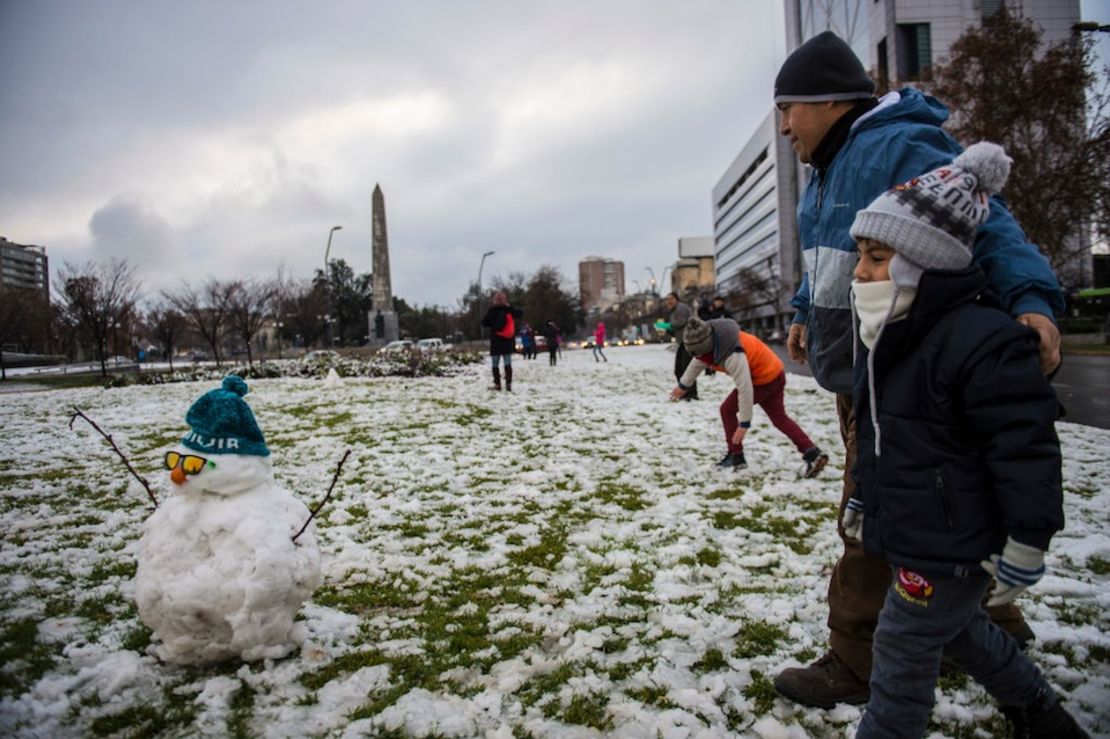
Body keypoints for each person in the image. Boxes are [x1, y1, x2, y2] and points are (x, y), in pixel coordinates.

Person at [770, 31, 1065, 708]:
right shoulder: (827, 168)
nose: (784, 125)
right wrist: (802, 308)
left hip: (904, 379)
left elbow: (987, 223)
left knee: (873, 516)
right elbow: (826, 259)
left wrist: (1031, 299)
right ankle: (989, 622)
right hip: (865, 377)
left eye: (790, 107)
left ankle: (858, 655)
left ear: (831, 101)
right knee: (931, 502)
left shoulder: (895, 146)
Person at [844, 143, 1086, 738]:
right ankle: (1038, 710)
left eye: (877, 257)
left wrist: (1027, 541)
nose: (860, 272)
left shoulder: (984, 341)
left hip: (957, 543)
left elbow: (1025, 452)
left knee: (902, 652)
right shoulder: (892, 336)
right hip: (920, 531)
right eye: (861, 256)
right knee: (958, 631)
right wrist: (862, 501)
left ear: (924, 263)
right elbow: (880, 440)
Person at [670, 316, 828, 477]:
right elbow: (698, 361)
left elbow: (745, 388)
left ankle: (736, 455)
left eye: (702, 354)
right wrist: (684, 385)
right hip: (775, 373)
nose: (700, 359)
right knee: (780, 419)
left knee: (727, 410)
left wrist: (744, 424)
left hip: (763, 380)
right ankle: (812, 452)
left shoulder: (733, 354)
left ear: (707, 347)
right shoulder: (714, 339)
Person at [658, 292, 698, 400]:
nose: (669, 301)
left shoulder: (681, 309)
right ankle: (685, 392)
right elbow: (676, 330)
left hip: (689, 341)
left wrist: (667, 325)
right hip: (682, 342)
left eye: (671, 298)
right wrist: (667, 329)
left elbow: (679, 323)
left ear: (677, 299)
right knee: (679, 369)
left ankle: (691, 394)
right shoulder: (673, 312)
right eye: (667, 299)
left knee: (686, 369)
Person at [481, 292, 522, 392]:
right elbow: (520, 313)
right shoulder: (509, 310)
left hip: (496, 341)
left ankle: (497, 384)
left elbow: (484, 322)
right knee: (507, 363)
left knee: (495, 364)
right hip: (507, 341)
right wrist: (509, 307)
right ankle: (508, 384)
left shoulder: (492, 310)